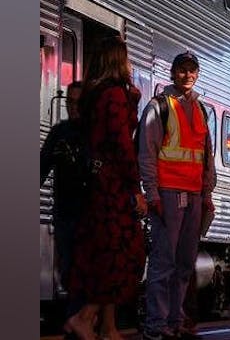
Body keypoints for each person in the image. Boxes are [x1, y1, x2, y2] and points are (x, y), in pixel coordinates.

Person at [62, 38, 147, 340]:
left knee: (107, 252)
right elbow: (122, 143)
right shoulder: (113, 95)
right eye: (126, 58)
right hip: (112, 186)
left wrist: (133, 100)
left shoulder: (95, 94)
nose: (130, 64)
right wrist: (135, 187)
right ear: (116, 60)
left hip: (99, 185)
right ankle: (84, 317)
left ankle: (109, 328)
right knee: (126, 253)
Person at [138, 51, 215, 340]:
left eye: (192, 70)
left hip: (194, 194)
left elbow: (206, 154)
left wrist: (207, 192)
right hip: (168, 194)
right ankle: (156, 325)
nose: (187, 75)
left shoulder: (201, 109)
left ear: (197, 74)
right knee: (163, 261)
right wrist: (152, 192)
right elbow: (147, 151)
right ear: (172, 73)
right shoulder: (159, 106)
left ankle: (174, 320)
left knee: (184, 262)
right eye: (182, 70)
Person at [39, 81, 86, 326]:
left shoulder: (95, 135)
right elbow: (41, 167)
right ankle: (75, 320)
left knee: (82, 270)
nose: (74, 107)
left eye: (79, 102)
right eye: (70, 101)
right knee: (68, 269)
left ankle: (76, 321)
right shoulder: (59, 134)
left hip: (90, 215)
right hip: (65, 213)